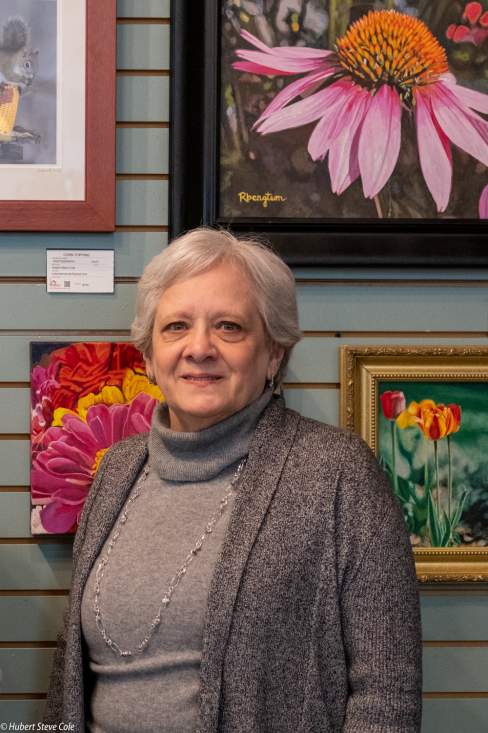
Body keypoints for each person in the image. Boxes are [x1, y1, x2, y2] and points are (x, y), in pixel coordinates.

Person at [45, 228, 422, 732]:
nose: (199, 348)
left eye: (229, 327)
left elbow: (387, 693)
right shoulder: (117, 470)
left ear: (273, 354)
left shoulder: (336, 472)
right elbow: (71, 676)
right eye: (176, 327)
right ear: (150, 357)